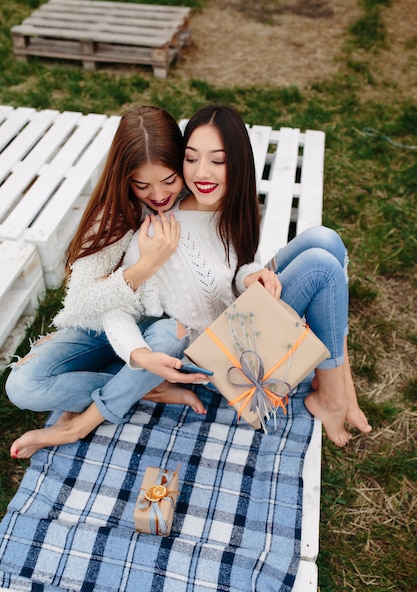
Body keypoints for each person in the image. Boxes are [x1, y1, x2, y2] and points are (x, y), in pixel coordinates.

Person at [9, 104, 371, 457]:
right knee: (320, 269)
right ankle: (332, 394)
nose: (160, 194)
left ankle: (337, 387)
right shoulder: (151, 233)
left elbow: (231, 266)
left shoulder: (216, 203)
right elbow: (104, 307)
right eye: (193, 159)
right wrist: (144, 285)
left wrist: (250, 276)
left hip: (235, 321)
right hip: (216, 350)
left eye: (170, 179)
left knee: (325, 240)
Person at [7, 106, 209, 459]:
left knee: (168, 335)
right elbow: (81, 305)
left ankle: (82, 421)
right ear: (124, 178)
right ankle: (148, 388)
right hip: (104, 321)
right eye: (142, 184)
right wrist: (146, 265)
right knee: (23, 386)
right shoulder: (114, 216)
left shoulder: (194, 204)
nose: (159, 194)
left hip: (162, 324)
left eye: (169, 180)